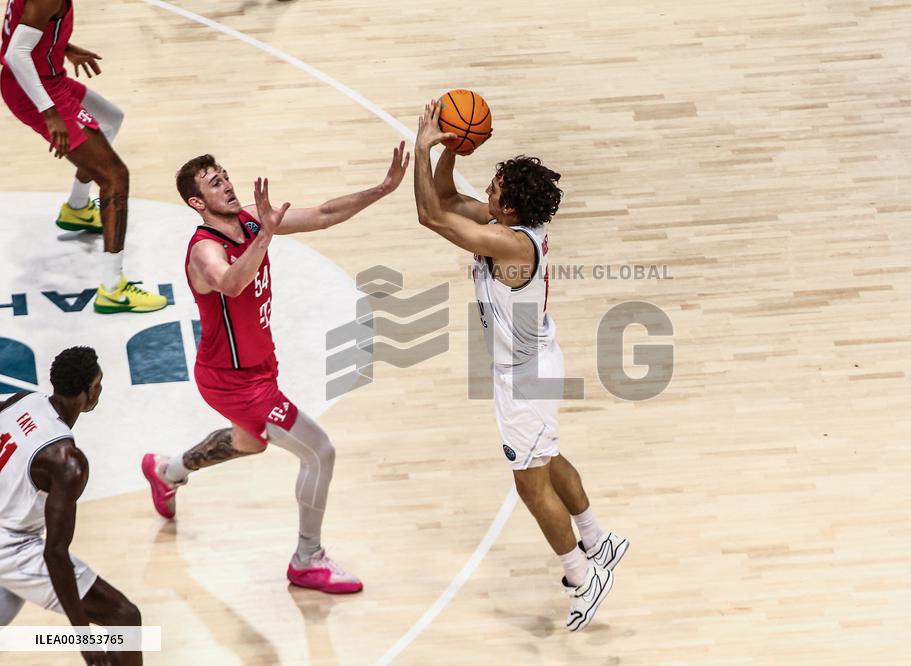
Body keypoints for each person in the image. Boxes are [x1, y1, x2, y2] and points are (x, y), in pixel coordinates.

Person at [142, 143, 410, 594]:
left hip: (259, 367)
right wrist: (264, 235)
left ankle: (166, 470)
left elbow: (324, 213)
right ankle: (307, 560)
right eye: (214, 183)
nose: (226, 184)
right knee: (319, 452)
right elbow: (230, 283)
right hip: (233, 380)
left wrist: (382, 189)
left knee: (249, 443)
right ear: (196, 203)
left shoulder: (250, 219)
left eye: (225, 175)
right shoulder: (204, 250)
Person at [412, 101, 628, 631]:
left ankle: (582, 575)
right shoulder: (511, 226)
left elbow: (429, 214)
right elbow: (446, 198)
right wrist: (450, 149)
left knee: (529, 486)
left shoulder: (507, 244)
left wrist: (422, 149)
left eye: (493, 189)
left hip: (524, 377)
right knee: (548, 457)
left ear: (509, 211)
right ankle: (600, 541)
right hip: (536, 362)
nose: (485, 192)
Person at [0, 0, 167, 314]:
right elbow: (15, 53)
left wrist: (66, 47)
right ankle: (113, 289)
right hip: (34, 90)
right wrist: (49, 113)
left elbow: (27, 31)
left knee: (111, 118)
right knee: (116, 177)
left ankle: (77, 208)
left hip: (49, 79)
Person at [0, 347, 143, 666]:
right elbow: (55, 553)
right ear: (90, 390)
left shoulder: (25, 399)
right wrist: (84, 637)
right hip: (12, 547)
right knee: (124, 618)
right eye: (99, 384)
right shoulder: (68, 462)